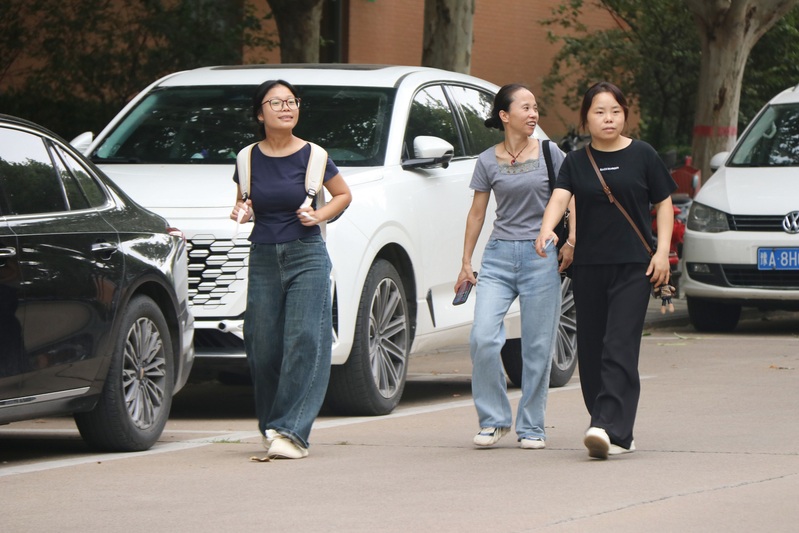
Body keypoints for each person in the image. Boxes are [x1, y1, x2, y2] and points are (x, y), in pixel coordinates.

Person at [535, 81, 676, 459]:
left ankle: (605, 425)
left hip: (634, 267)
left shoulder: (643, 155)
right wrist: (547, 229)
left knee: (618, 345)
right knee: (592, 349)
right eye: (599, 112)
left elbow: (664, 204)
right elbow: (559, 198)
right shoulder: (576, 161)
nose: (608, 118)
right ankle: (616, 432)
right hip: (589, 269)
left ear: (624, 114)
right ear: (586, 118)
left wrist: (662, 253)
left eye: (615, 111)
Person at [230, 79, 352, 460]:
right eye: (277, 102)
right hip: (263, 256)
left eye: (292, 101)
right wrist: (241, 211)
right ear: (259, 113)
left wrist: (319, 214)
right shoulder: (246, 158)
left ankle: (292, 431)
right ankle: (272, 426)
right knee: (261, 345)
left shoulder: (315, 156)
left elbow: (343, 195)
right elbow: (244, 202)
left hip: (307, 254)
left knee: (304, 339)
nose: (286, 108)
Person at [456, 83, 576, 449]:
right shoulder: (486, 160)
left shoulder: (550, 153)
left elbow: (570, 198)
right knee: (482, 338)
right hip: (498, 256)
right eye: (525, 107)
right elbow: (477, 213)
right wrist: (466, 262)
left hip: (541, 255)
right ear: (505, 115)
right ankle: (494, 420)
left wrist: (571, 241)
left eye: (535, 107)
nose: (533, 114)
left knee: (537, 346)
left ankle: (532, 426)